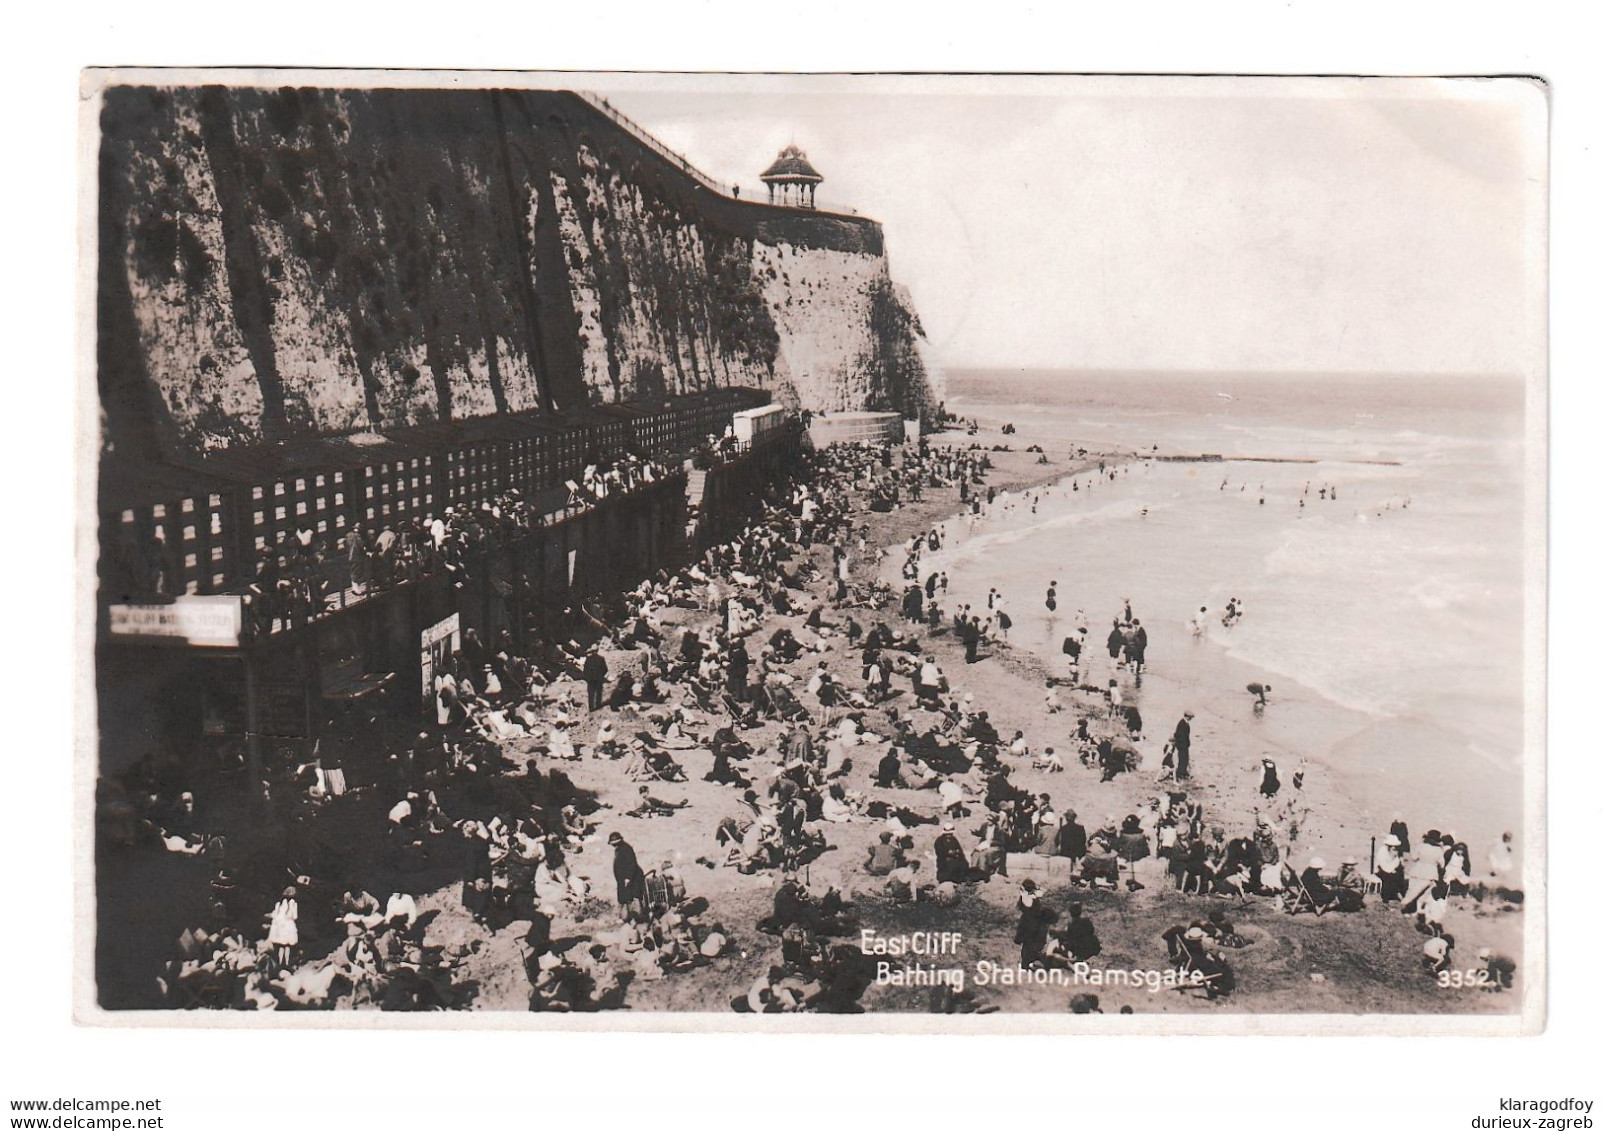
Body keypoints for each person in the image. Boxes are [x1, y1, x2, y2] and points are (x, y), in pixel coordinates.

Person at [1014, 880, 1057, 967]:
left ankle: (1027, 964)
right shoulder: (1034, 897)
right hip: (1037, 925)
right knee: (1033, 946)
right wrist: (1036, 889)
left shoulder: (1024, 897)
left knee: (1027, 947)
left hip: (1028, 925)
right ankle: (1032, 963)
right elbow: (1043, 892)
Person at [609, 831, 646, 922]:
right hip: (624, 879)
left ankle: (639, 917)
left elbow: (631, 864)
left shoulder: (626, 849)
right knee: (624, 898)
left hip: (633, 878)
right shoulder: (619, 849)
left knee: (636, 896)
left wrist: (628, 878)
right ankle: (626, 917)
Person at [583, 647, 609, 712]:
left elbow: (585, 670)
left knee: (591, 693)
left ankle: (591, 708)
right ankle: (598, 706)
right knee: (598, 693)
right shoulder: (601, 658)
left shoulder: (588, 659)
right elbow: (605, 669)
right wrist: (601, 675)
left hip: (591, 679)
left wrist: (588, 677)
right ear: (597, 651)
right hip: (599, 679)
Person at [1171, 711, 1193, 780]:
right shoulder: (1182, 723)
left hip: (1184, 745)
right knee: (1182, 759)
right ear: (1187, 716)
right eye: (1190, 717)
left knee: (1185, 759)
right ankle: (1181, 773)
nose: (1191, 719)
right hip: (1182, 745)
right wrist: (1179, 743)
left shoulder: (1185, 723)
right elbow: (1178, 734)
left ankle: (1183, 772)